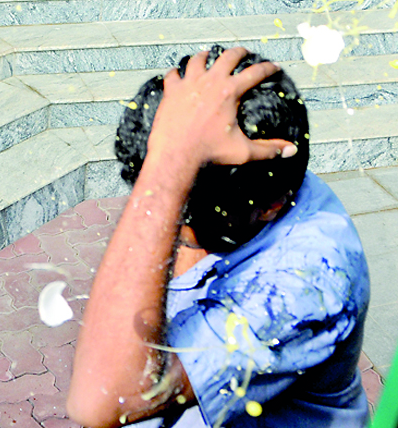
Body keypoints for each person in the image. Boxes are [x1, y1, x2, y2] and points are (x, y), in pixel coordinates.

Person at [67, 45, 370, 428]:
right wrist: (172, 151)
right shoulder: (256, 183)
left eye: (185, 223)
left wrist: (172, 167)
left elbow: (101, 400)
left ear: (273, 205)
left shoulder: (305, 280)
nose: (172, 233)